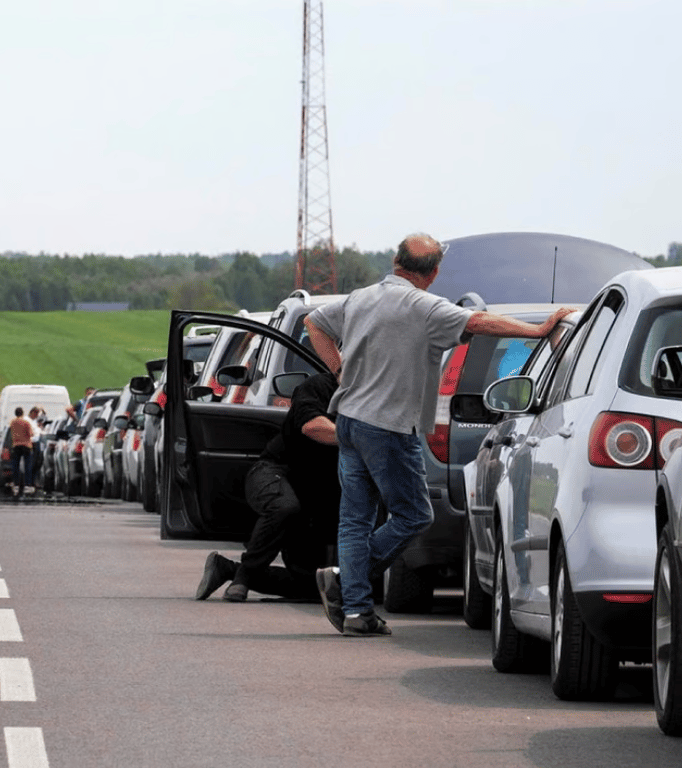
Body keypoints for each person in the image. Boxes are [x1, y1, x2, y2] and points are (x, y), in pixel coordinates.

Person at [303, 233, 573, 637]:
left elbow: (313, 322)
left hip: (349, 420)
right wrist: (538, 332)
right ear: (432, 274)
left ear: (396, 261)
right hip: (389, 426)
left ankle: (357, 610)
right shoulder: (423, 306)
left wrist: (340, 371)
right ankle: (346, 582)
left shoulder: (360, 298)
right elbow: (479, 322)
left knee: (354, 519)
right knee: (414, 514)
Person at [196, 371, 339, 602]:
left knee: (313, 588)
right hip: (272, 471)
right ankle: (243, 576)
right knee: (284, 506)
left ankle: (227, 569)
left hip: (311, 502)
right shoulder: (318, 387)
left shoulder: (372, 398)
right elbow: (312, 426)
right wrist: (359, 436)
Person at [7, 406, 35, 497]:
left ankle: (16, 485)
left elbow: (11, 433)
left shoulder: (12, 422)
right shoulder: (26, 422)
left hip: (16, 445)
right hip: (26, 445)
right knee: (28, 465)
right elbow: (31, 434)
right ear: (22, 413)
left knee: (15, 466)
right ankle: (27, 485)